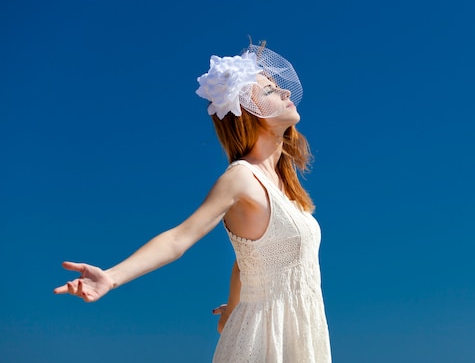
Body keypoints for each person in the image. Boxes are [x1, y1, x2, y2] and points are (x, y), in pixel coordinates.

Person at [53, 42, 332, 362]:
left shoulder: (284, 187)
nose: (284, 92)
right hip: (266, 340)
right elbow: (179, 238)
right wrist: (111, 277)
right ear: (250, 115)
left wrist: (235, 305)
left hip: (297, 330)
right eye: (269, 91)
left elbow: (250, 258)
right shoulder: (241, 178)